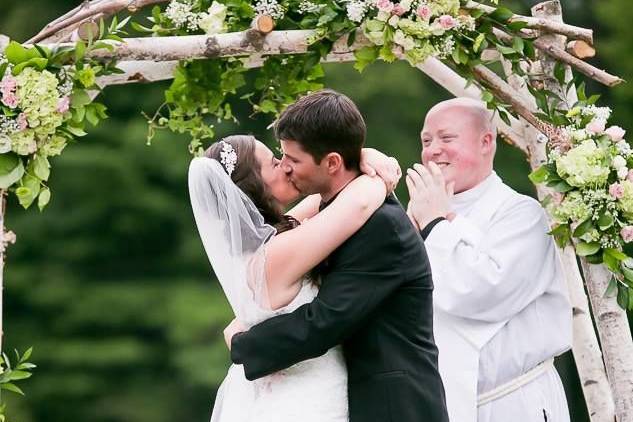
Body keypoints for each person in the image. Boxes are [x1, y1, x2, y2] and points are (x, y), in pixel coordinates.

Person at [223, 89, 449, 422]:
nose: (285, 168)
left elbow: (325, 321)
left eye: (293, 160)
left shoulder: (379, 225)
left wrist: (243, 344)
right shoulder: (334, 215)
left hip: (395, 405)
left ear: (331, 162)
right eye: (280, 158)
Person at [190, 132, 400, 422]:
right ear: (255, 185)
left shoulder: (265, 245)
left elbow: (320, 202)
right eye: (275, 163)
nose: (286, 166)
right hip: (304, 404)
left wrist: (360, 157)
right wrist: (380, 171)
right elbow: (359, 204)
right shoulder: (274, 256)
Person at [406, 97, 573, 422]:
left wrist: (436, 226)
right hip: (443, 404)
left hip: (514, 401)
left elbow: (482, 293)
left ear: (486, 141)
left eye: (446, 138)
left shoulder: (521, 214)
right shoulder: (417, 214)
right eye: (426, 141)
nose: (433, 150)